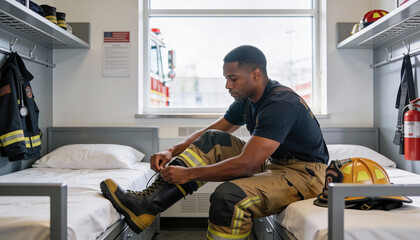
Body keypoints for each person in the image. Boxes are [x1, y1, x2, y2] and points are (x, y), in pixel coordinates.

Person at [100, 45, 329, 240]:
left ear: (256, 75)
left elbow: (247, 165)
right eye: (226, 79)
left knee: (228, 197)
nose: (228, 86)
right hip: (274, 163)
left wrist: (190, 174)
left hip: (305, 175)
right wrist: (171, 150)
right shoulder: (247, 100)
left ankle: (148, 206)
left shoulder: (280, 104)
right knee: (212, 141)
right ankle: (147, 206)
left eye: (233, 79)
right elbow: (210, 132)